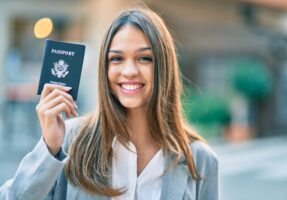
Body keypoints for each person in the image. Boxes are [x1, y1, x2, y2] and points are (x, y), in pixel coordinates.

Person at [0, 6, 218, 200]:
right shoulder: (70, 140)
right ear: (104, 68)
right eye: (116, 59)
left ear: (164, 66)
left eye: (144, 58)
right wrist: (50, 148)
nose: (129, 71)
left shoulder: (200, 159)